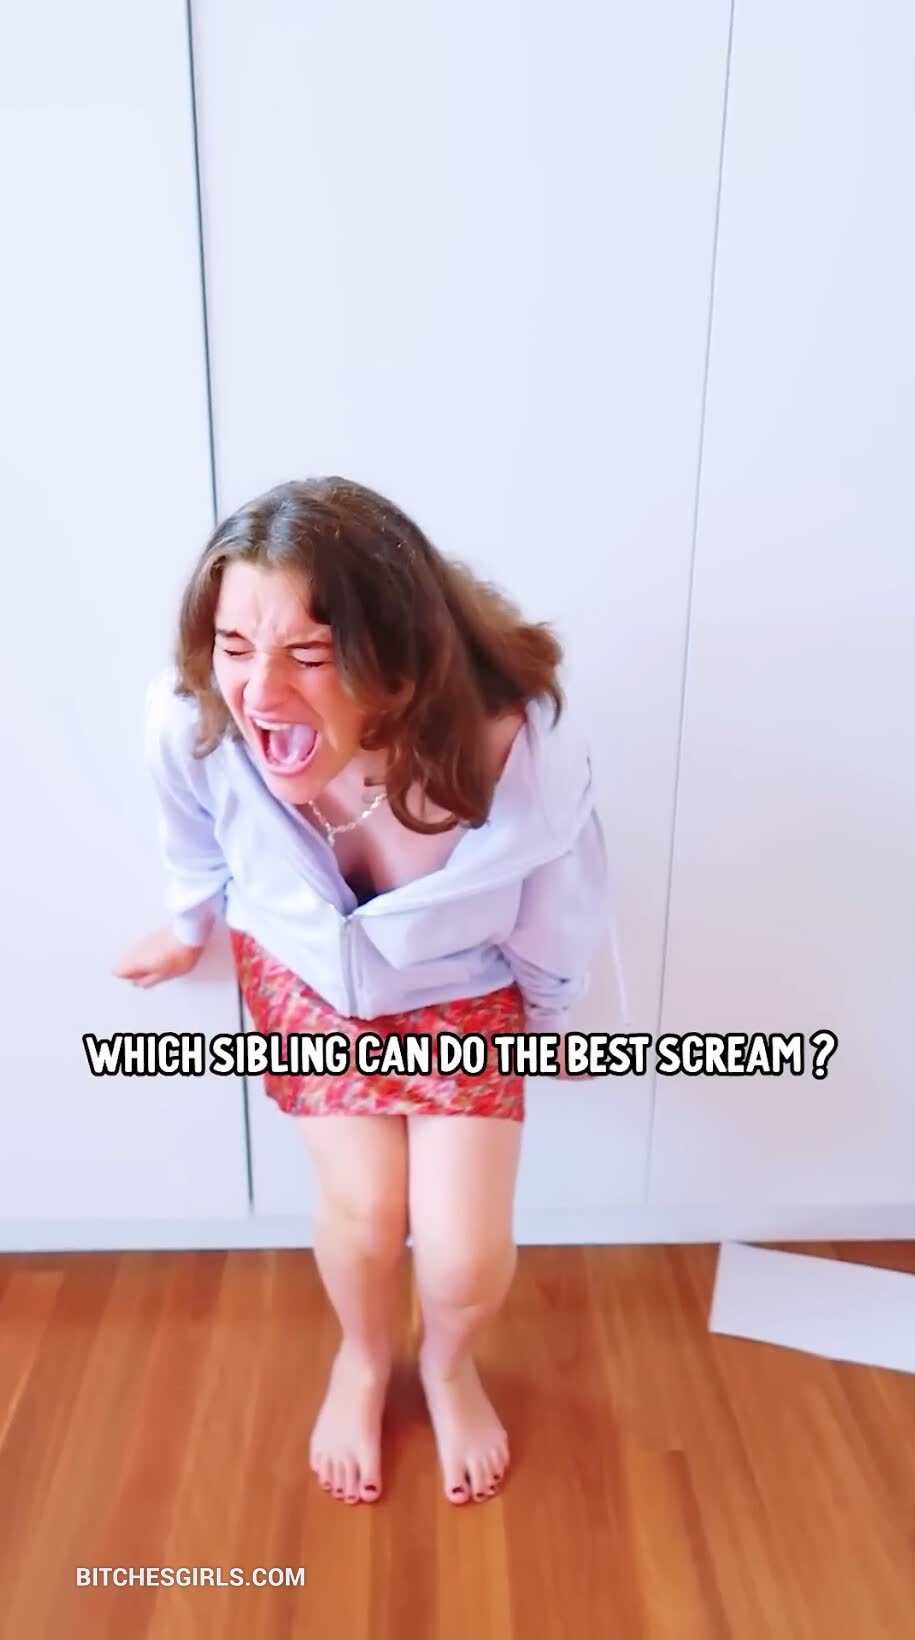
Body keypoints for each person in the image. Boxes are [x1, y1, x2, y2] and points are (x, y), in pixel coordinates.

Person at [115, 476, 609, 1508]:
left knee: (462, 1257)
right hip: (306, 978)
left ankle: (450, 1366)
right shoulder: (193, 716)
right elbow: (193, 832)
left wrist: (554, 1016)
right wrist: (189, 924)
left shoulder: (515, 742)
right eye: (235, 644)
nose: (258, 693)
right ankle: (363, 1357)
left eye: (307, 653)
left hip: (461, 985)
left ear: (394, 656)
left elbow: (557, 895)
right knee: (367, 1208)